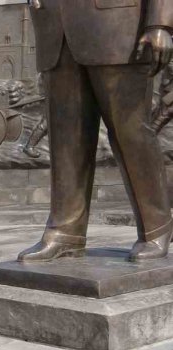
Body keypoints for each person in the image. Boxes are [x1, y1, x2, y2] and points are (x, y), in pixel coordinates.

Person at [21, 0, 173, 261]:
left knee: (130, 131)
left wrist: (161, 23)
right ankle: (65, 231)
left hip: (118, 26)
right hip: (54, 28)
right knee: (65, 135)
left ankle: (155, 227)